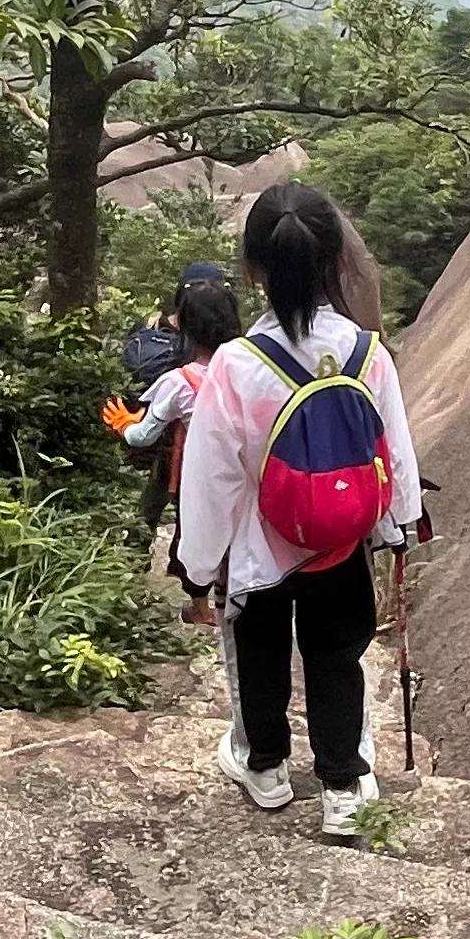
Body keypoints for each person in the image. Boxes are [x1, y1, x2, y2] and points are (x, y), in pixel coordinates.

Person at [173, 182, 422, 838]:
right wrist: (398, 522)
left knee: (260, 655)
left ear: (254, 269)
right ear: (340, 261)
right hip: (341, 539)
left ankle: (267, 768)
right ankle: (342, 784)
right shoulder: (370, 353)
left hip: (263, 544)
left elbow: (211, 476)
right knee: (336, 655)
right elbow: (393, 448)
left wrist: (197, 564)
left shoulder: (236, 363)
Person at [109, 261, 240, 605]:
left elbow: (142, 434)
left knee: (152, 507)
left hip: (175, 455)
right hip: (229, 468)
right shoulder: (246, 369)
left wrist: (124, 426)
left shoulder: (175, 371)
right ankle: (203, 589)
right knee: (200, 518)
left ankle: (133, 569)